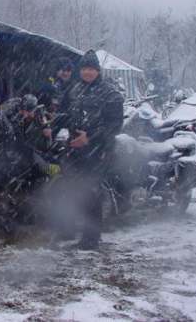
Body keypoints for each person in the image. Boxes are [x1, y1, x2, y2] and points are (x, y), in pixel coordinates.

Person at [60, 49, 124, 250]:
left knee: (91, 193)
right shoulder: (75, 90)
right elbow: (66, 114)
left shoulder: (110, 94)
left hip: (98, 151)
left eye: (91, 69)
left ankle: (91, 239)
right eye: (85, 68)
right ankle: (71, 230)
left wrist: (90, 138)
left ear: (98, 71)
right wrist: (54, 127)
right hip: (75, 149)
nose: (87, 72)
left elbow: (115, 125)